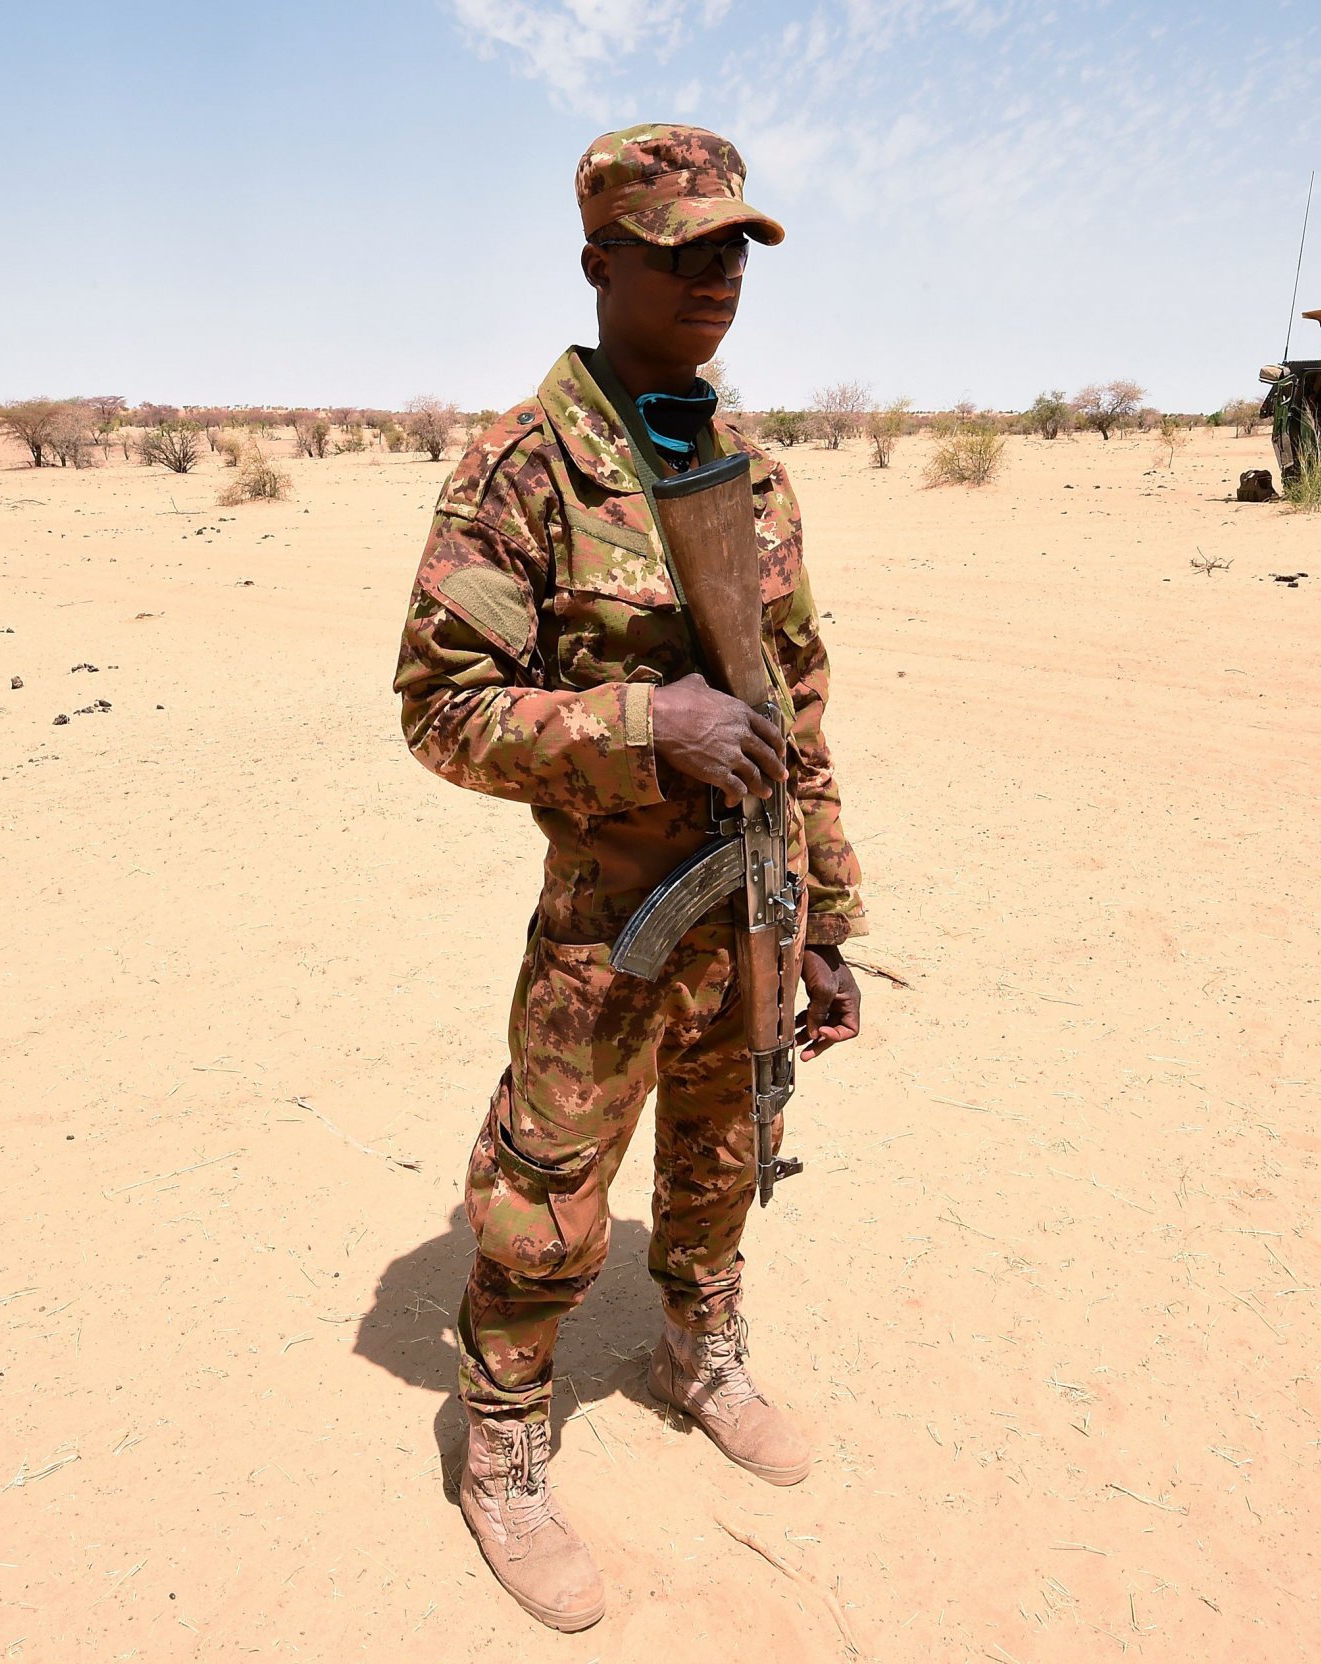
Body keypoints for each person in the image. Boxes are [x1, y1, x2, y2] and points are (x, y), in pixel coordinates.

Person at [391, 123, 868, 1632]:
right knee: (549, 1188)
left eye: (733, 248)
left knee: (724, 1162)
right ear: (600, 262)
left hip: (751, 903)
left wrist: (832, 922)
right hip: (613, 920)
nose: (716, 276)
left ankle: (698, 1348)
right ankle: (506, 1436)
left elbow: (799, 727)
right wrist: (640, 721)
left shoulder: (754, 474)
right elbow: (440, 707)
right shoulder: (522, 472)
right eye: (680, 250)